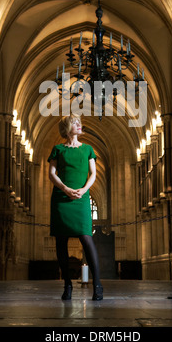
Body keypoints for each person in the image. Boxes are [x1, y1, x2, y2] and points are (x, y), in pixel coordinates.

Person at [47, 114, 103, 301]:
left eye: (79, 123)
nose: (79, 125)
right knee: (61, 242)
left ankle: (97, 285)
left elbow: (93, 174)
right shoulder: (57, 149)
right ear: (67, 128)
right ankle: (67, 285)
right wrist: (65, 188)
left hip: (81, 198)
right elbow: (52, 174)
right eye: (75, 123)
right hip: (61, 198)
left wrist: (83, 190)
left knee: (87, 239)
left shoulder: (88, 149)